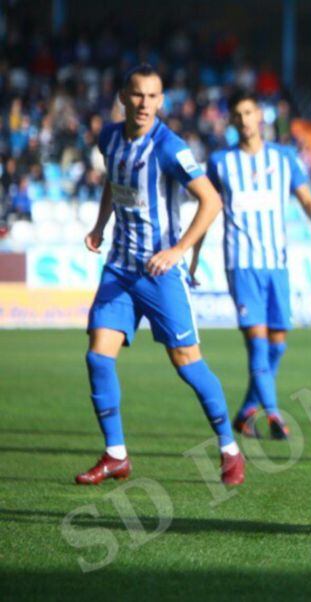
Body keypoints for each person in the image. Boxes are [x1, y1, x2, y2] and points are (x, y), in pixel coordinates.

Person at [77, 64, 244, 486]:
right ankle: (116, 454)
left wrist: (177, 251)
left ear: (162, 101)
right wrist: (100, 226)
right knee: (98, 356)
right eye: (137, 95)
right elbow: (114, 184)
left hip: (159, 273)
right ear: (122, 96)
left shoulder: (170, 147)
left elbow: (210, 201)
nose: (144, 104)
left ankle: (229, 447)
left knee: (187, 364)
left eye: (153, 97)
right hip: (119, 268)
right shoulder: (110, 138)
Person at [201, 90, 311, 440]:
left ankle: (245, 412)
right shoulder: (220, 162)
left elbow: (305, 196)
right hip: (241, 264)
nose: (244, 120)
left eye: (249, 112)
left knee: (278, 344)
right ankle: (274, 414)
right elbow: (206, 206)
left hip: (277, 263)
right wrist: (193, 251)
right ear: (230, 120)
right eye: (237, 114)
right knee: (257, 344)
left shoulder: (284, 157)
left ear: (260, 116)